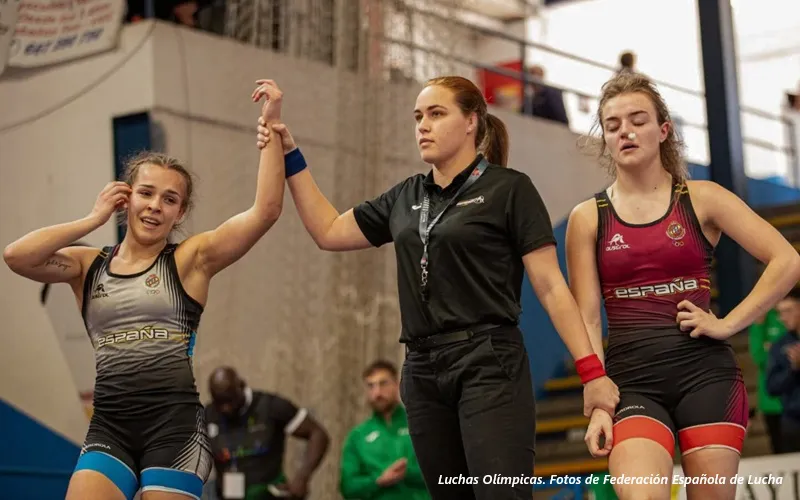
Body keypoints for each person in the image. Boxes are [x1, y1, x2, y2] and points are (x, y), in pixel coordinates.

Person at [254, 75, 619, 500]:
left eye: (436, 114)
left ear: (471, 121)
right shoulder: (406, 196)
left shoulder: (509, 189)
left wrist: (592, 373)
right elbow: (329, 230)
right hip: (423, 371)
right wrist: (291, 153)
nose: (422, 126)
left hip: (488, 363)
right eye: (418, 117)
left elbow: (552, 287)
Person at [2, 79, 287, 500]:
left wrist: (272, 131)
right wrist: (91, 219)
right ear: (126, 199)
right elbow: (16, 256)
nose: (155, 206)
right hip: (109, 430)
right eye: (146, 193)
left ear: (180, 213)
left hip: (175, 433)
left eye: (169, 200)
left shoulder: (191, 260)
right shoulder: (86, 265)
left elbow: (266, 211)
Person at [567, 71, 800, 500]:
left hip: (706, 377)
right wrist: (596, 393)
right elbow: (586, 318)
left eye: (638, 120)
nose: (625, 132)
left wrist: (729, 323)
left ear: (663, 130)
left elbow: (787, 260)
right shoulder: (587, 218)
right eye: (613, 125)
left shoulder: (703, 198)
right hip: (631, 382)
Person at [204, 367, 330, 499]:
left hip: (269, 494)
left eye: (230, 400)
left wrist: (302, 477)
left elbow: (317, 434)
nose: (226, 408)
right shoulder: (207, 415)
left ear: (242, 386)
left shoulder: (271, 407)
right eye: (219, 402)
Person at [340, 360, 430, 500]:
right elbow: (347, 487)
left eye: (383, 383)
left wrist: (407, 473)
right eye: (371, 386)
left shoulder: (421, 425)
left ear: (397, 384)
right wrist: (378, 480)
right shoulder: (358, 436)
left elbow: (445, 474)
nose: (377, 392)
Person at [749, 305, 787, 453]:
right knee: (779, 450)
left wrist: (773, 350)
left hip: (793, 399)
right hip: (771, 402)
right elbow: (759, 357)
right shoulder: (761, 319)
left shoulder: (790, 314)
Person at [766, 290, 800, 453]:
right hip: (793, 422)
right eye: (780, 313)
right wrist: (794, 369)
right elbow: (772, 387)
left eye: (788, 311)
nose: (782, 318)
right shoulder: (780, 345)